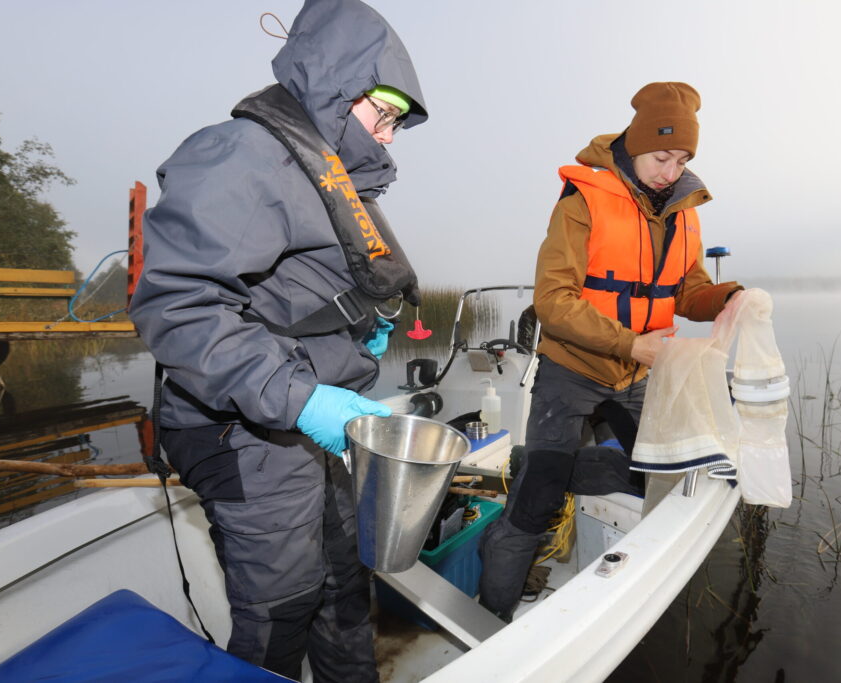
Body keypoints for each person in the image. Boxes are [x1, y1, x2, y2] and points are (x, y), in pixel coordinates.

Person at [128, 1, 427, 679]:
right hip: (244, 429)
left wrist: (360, 329)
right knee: (282, 605)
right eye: (383, 111)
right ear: (336, 83)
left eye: (398, 121)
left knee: (345, 588)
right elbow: (178, 306)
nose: (390, 134)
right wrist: (302, 400)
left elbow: (300, 289)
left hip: (305, 421)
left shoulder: (330, 174)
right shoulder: (243, 155)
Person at [478, 82, 743, 622]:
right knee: (533, 507)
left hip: (637, 373)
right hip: (572, 371)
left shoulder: (684, 212)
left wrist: (729, 298)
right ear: (634, 143)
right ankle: (490, 616)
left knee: (660, 474)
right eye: (661, 156)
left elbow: (688, 290)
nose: (671, 171)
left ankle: (550, 469)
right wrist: (629, 343)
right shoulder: (584, 200)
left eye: (683, 159)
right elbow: (552, 302)